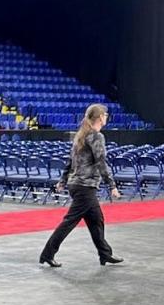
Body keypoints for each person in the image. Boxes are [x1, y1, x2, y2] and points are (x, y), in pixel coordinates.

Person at [39, 104, 123, 267]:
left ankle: (105, 254)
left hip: (77, 185)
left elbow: (70, 162)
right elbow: (101, 162)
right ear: (100, 117)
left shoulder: (81, 135)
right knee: (69, 222)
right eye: (105, 114)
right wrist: (111, 185)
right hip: (85, 186)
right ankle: (47, 254)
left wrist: (63, 180)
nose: (107, 117)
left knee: (96, 220)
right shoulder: (97, 137)